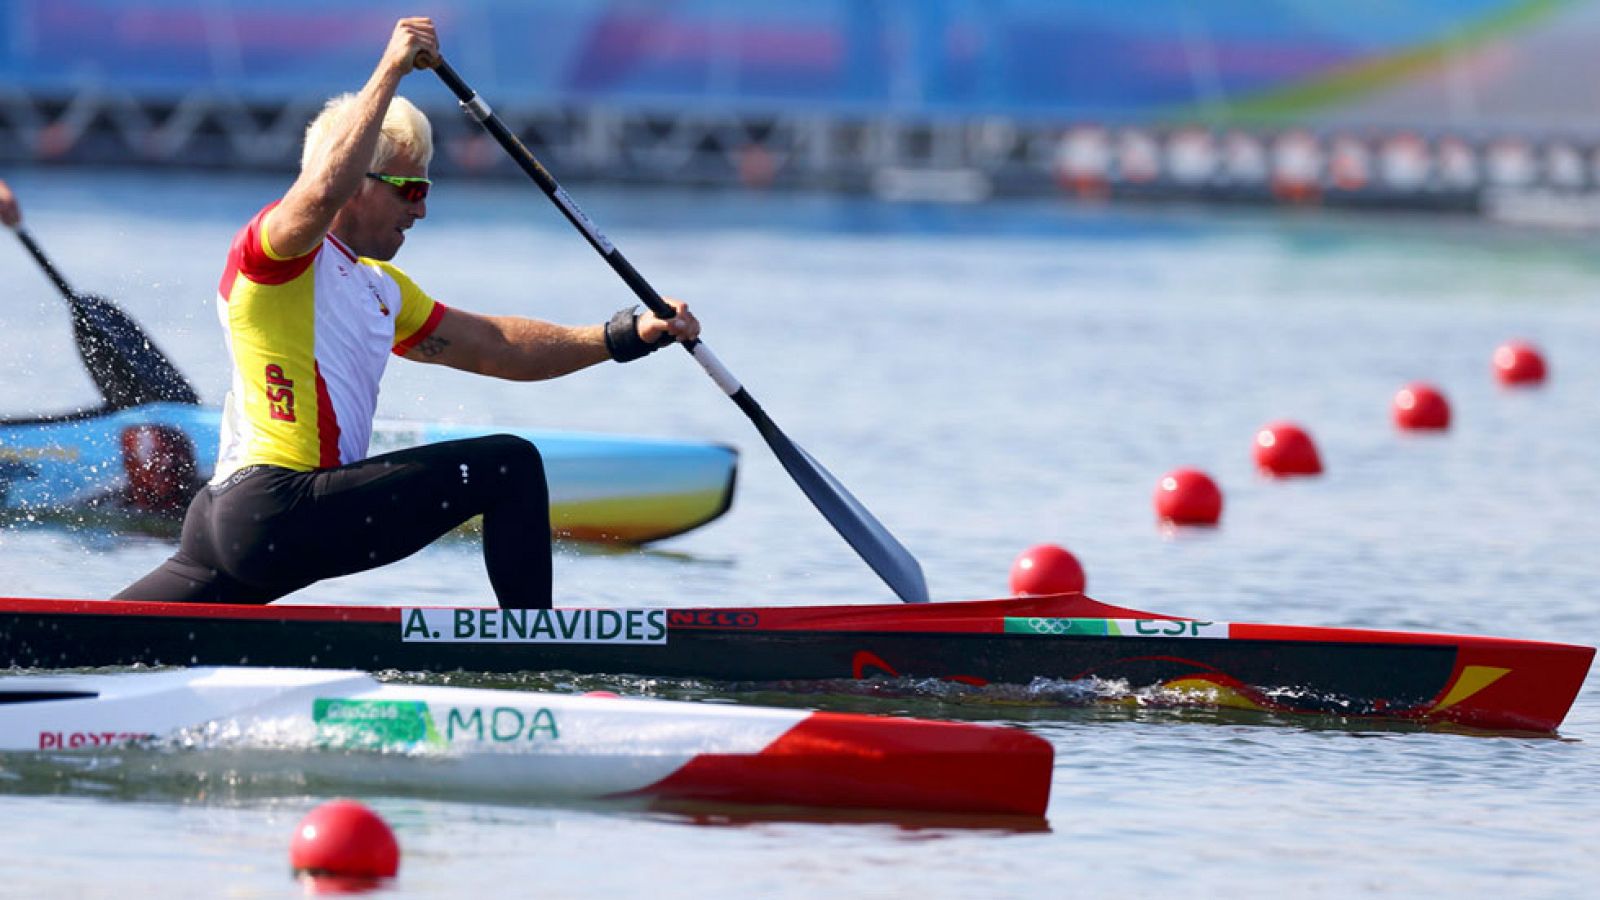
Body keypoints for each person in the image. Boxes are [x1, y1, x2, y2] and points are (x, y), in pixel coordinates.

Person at [116, 17, 698, 609]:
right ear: (357, 183)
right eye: (409, 190)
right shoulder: (275, 254)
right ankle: (535, 647)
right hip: (279, 505)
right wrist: (391, 69)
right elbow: (321, 190)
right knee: (509, 467)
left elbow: (497, 347)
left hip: (230, 523)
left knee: (100, 639)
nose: (419, 211)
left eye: (426, 191)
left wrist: (626, 334)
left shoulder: (382, 289)